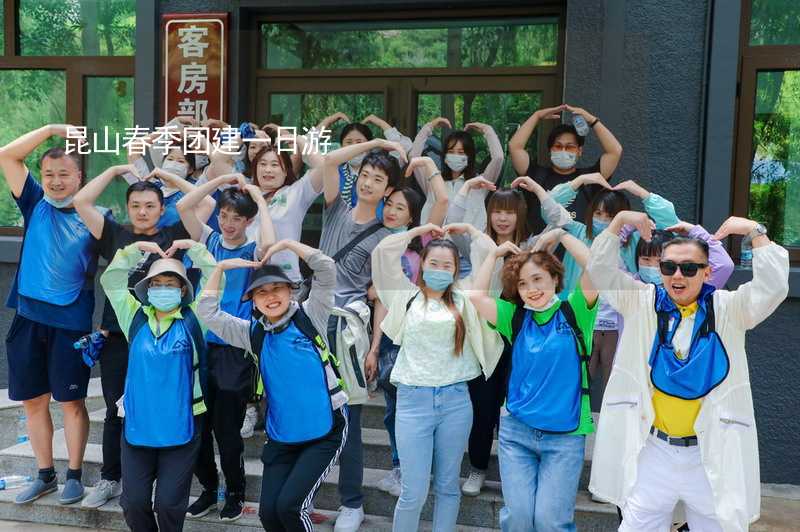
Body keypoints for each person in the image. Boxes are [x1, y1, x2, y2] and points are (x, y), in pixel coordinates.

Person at [586, 212, 789, 531]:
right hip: (654, 452)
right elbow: (600, 270)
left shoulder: (729, 310)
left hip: (709, 454)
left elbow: (773, 286)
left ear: (707, 272)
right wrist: (618, 221)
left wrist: (755, 230)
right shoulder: (642, 303)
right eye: (668, 267)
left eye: (689, 268)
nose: (677, 275)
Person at [72, 165, 214, 509]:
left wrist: (167, 177)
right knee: (115, 408)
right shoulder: (114, 234)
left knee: (186, 407)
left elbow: (206, 203)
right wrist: (115, 169)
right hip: (123, 337)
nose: (142, 211)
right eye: (135, 204)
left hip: (172, 337)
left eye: (150, 204)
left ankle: (201, 484)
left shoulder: (175, 234)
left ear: (162, 207)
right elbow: (81, 201)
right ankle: (111, 478)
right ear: (127, 207)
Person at [197, 239, 347, 532]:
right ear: (253, 301)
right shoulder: (252, 333)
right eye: (261, 292)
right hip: (282, 435)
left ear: (290, 290)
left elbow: (326, 268)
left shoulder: (310, 315)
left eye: (277, 288)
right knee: (269, 514)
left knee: (291, 508)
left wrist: (289, 244)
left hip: (325, 428)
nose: (270, 297)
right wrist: (220, 268)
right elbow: (208, 313)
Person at [371, 223, 504, 531]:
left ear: (456, 270)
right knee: (412, 491)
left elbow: (488, 254)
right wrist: (417, 231)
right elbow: (383, 252)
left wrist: (470, 229)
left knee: (447, 486)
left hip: (456, 400)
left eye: (448, 265)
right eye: (434, 263)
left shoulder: (466, 298)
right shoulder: (405, 295)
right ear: (422, 265)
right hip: (413, 401)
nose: (440, 270)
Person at [0, 125, 105, 505]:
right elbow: (6, 155)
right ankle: (44, 474)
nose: (56, 181)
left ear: (81, 177)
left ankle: (74, 475)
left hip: (71, 323)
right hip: (29, 316)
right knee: (33, 401)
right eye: (49, 174)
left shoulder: (95, 216)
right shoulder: (34, 203)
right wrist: (52, 129)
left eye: (65, 174)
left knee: (72, 402)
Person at [448, 178, 572, 497]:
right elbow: (450, 224)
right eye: (496, 211)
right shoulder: (477, 242)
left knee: (516, 404)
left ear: (520, 214)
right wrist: (465, 188)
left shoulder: (533, 247)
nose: (502, 218)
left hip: (524, 337)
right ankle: (477, 468)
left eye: (509, 212)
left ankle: (511, 469)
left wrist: (537, 188)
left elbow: (563, 222)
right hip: (485, 339)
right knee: (483, 406)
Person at [470, 230, 598, 532]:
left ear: (555, 278)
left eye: (538, 279)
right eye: (523, 284)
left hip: (565, 435)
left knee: (550, 522)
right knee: (518, 519)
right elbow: (476, 297)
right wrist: (493, 255)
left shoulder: (575, 310)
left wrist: (562, 235)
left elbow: (596, 266)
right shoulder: (514, 317)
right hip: (517, 432)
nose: (531, 289)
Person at [319, 137, 406, 532]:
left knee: (350, 417)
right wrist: (376, 143)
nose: (369, 183)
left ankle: (351, 503)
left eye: (378, 179)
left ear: (389, 189)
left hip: (349, 330)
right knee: (304, 409)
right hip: (310, 319)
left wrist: (374, 348)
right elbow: (328, 160)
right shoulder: (335, 206)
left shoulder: (385, 234)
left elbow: (382, 298)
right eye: (365, 175)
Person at [100, 238, 218, 532]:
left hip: (183, 425)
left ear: (182, 290)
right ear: (148, 289)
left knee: (168, 504)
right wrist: (135, 249)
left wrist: (194, 247)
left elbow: (217, 276)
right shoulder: (134, 318)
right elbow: (111, 280)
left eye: (171, 284)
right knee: (133, 503)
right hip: (139, 424)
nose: (163, 289)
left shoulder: (195, 319)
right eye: (157, 284)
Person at [178, 176, 275, 521]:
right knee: (198, 428)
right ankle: (207, 489)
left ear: (247, 222)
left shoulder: (252, 252)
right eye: (223, 214)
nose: (228, 223)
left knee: (227, 431)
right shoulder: (209, 242)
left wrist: (260, 201)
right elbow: (183, 206)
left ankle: (234, 491)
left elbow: (269, 243)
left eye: (237, 217)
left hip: (235, 349)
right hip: (201, 347)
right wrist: (221, 181)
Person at [363, 156, 449, 498]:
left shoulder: (423, 243)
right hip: (391, 339)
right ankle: (403, 469)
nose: (392, 211)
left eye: (400, 207)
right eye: (389, 204)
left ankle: (422, 469)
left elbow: (442, 200)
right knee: (393, 410)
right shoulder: (380, 244)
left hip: (422, 337)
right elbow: (381, 299)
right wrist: (374, 347)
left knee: (420, 410)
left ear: (413, 215)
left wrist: (427, 162)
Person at [508, 104, 623, 233]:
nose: (563, 150)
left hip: (579, 251)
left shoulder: (591, 179)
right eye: (558, 146)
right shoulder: (536, 175)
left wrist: (592, 120)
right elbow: (514, 147)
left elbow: (615, 151)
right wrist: (537, 116)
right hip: (540, 250)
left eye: (569, 147)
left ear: (579, 151)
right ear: (550, 150)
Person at [410, 117, 504, 231]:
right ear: (444, 157)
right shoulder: (433, 180)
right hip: (434, 245)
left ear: (469, 157)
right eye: (451, 152)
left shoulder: (480, 183)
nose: (455, 156)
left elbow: (498, 158)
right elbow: (414, 157)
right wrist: (429, 127)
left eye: (461, 152)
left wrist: (487, 130)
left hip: (470, 246)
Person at [317, 112, 412, 213]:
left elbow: (404, 147)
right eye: (349, 142)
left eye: (359, 142)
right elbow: (307, 146)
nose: (354, 147)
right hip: (336, 226)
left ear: (369, 146)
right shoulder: (332, 172)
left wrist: (378, 122)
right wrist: (329, 119)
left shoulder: (383, 169)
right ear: (341, 146)